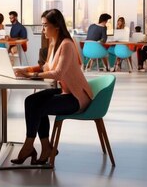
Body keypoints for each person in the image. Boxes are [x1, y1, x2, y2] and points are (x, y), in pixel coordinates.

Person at [12, 9, 93, 165]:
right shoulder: (54, 43)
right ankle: (45, 148)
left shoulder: (67, 44)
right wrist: (26, 69)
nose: (42, 30)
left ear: (56, 26)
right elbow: (47, 67)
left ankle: (28, 146)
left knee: (38, 107)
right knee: (30, 101)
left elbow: (57, 73)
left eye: (45, 26)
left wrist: (31, 76)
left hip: (76, 97)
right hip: (65, 91)